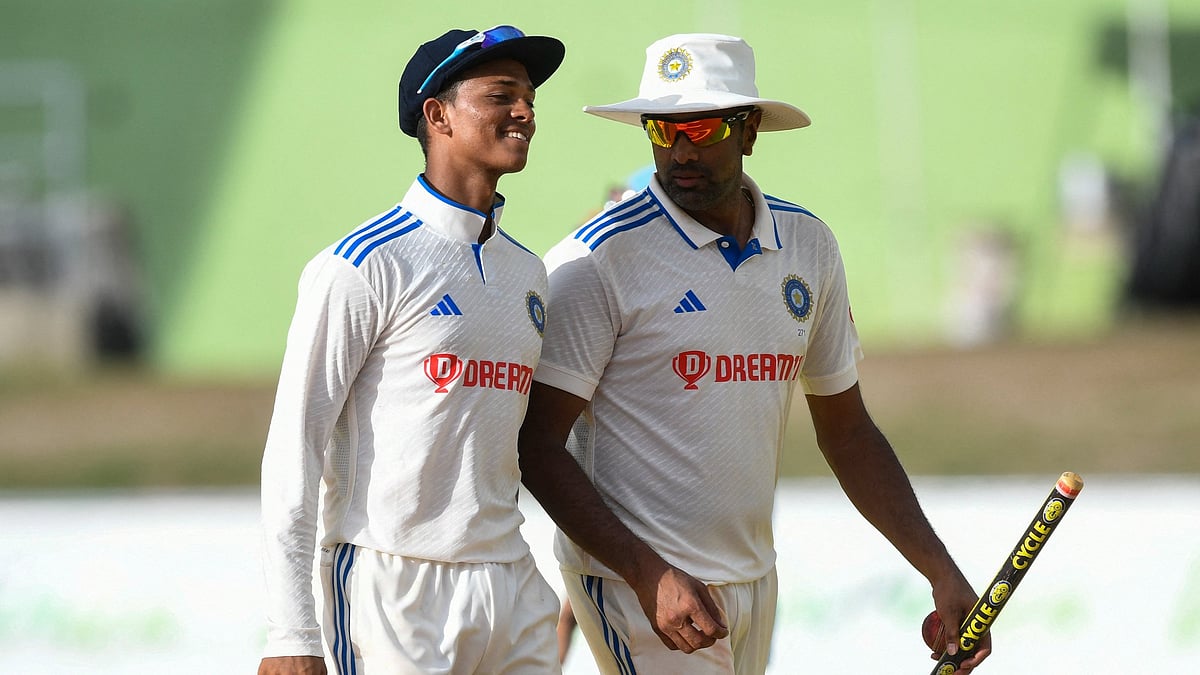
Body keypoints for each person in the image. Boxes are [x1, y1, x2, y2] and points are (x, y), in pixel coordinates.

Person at [518, 33, 991, 674]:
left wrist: (940, 571)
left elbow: (847, 433)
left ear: (750, 131)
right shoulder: (596, 261)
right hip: (636, 585)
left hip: (753, 578)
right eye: (663, 130)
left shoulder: (809, 245)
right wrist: (647, 572)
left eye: (704, 126)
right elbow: (535, 446)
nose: (681, 150)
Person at [258, 25, 565, 675]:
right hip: (391, 588)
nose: (526, 112)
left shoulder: (528, 273)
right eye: (501, 94)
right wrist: (291, 631)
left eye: (531, 97)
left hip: (510, 583)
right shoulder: (361, 265)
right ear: (438, 115)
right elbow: (295, 446)